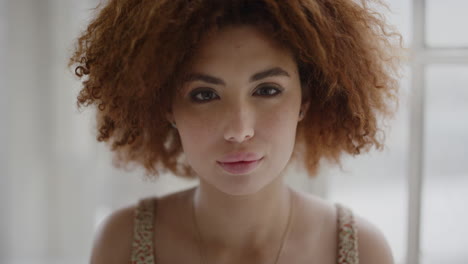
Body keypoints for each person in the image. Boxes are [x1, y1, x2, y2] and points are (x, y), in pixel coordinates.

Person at [69, 0, 403, 263]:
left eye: (268, 90)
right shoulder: (122, 243)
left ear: (306, 98)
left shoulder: (361, 253)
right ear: (166, 106)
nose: (239, 130)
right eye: (204, 95)